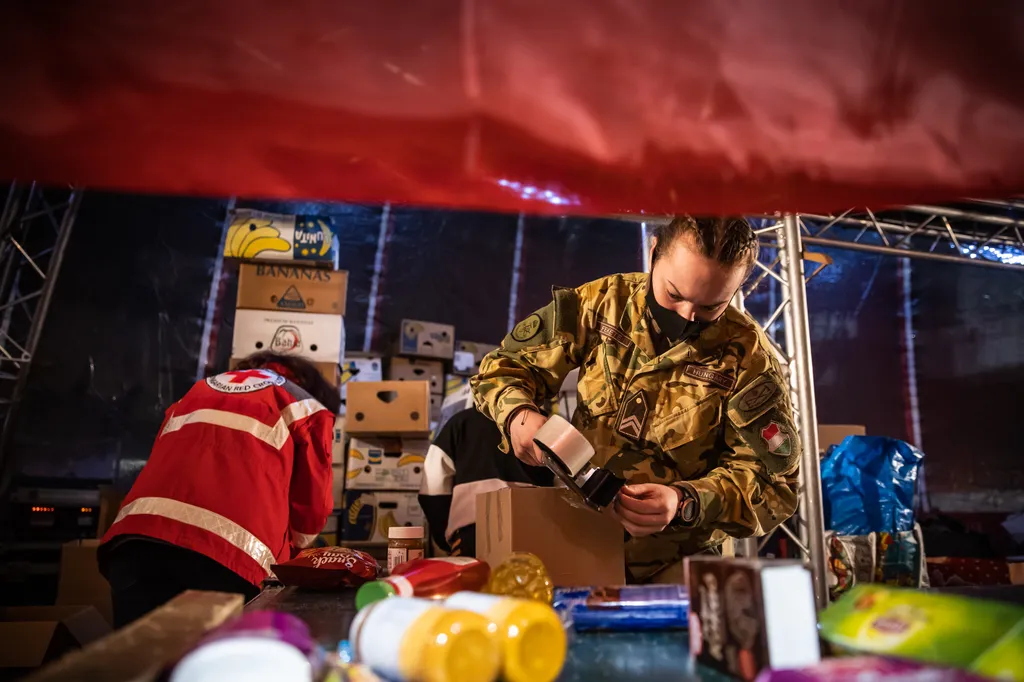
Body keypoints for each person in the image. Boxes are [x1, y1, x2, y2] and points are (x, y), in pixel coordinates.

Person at [471, 215, 801, 582]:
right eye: (673, 294)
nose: (687, 316)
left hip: (676, 561)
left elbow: (776, 486)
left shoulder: (748, 357)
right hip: (576, 538)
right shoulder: (605, 304)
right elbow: (503, 367)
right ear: (654, 252)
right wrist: (518, 416)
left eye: (711, 307)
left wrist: (685, 502)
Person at [98, 352, 340, 627]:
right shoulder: (303, 405)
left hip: (134, 543)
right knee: (216, 665)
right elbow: (311, 513)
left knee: (140, 661)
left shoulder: (196, 391)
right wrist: (296, 558)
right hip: (226, 561)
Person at [418, 406, 553, 557]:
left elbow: (433, 489)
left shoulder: (459, 423)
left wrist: (445, 537)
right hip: (534, 532)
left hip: (472, 532)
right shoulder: (547, 426)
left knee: (474, 579)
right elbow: (568, 489)